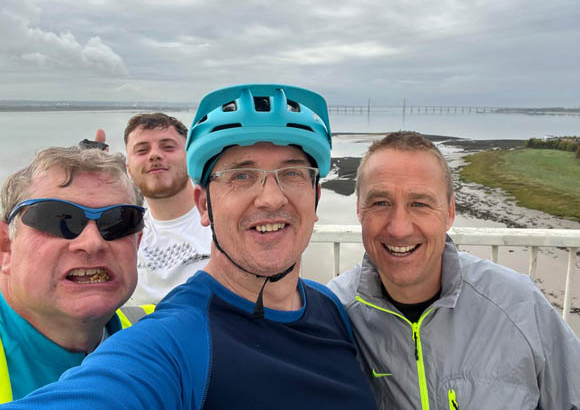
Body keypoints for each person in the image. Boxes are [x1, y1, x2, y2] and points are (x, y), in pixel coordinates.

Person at [1, 84, 376, 409]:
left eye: (292, 173)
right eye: (241, 175)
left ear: (316, 199)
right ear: (203, 205)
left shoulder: (330, 308)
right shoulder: (176, 338)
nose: (270, 198)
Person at [329, 131, 580, 409]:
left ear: (450, 212)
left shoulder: (516, 304)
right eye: (381, 203)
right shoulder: (333, 314)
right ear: (359, 209)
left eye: (419, 204)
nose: (399, 228)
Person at [0, 146, 145, 402]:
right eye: (60, 219)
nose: (92, 242)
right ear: (6, 247)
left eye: (118, 221)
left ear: (137, 242)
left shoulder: (159, 338)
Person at [123, 113, 210, 305]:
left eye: (168, 147)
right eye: (142, 150)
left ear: (191, 157)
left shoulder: (223, 224)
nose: (154, 155)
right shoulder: (120, 233)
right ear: (128, 168)